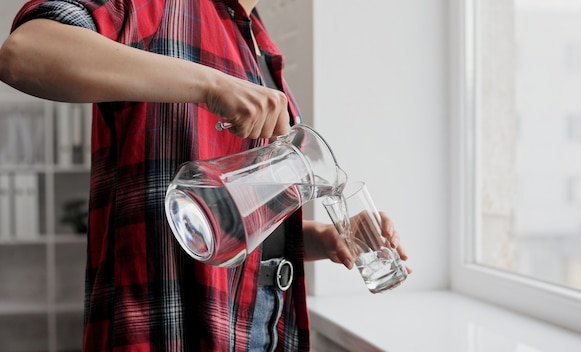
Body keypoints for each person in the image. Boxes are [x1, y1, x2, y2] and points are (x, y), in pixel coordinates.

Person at [0, 0, 410, 350]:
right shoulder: (159, 7)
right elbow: (24, 53)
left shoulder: (260, 44)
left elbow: (227, 218)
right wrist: (211, 85)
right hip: (167, 324)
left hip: (261, 320)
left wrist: (316, 240)